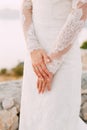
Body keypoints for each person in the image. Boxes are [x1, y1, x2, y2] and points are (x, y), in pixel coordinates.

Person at [19, 0, 87, 129]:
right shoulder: (34, 56)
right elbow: (26, 8)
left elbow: (80, 11)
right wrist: (33, 49)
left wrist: (52, 64)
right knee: (33, 118)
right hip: (35, 61)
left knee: (59, 119)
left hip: (64, 60)